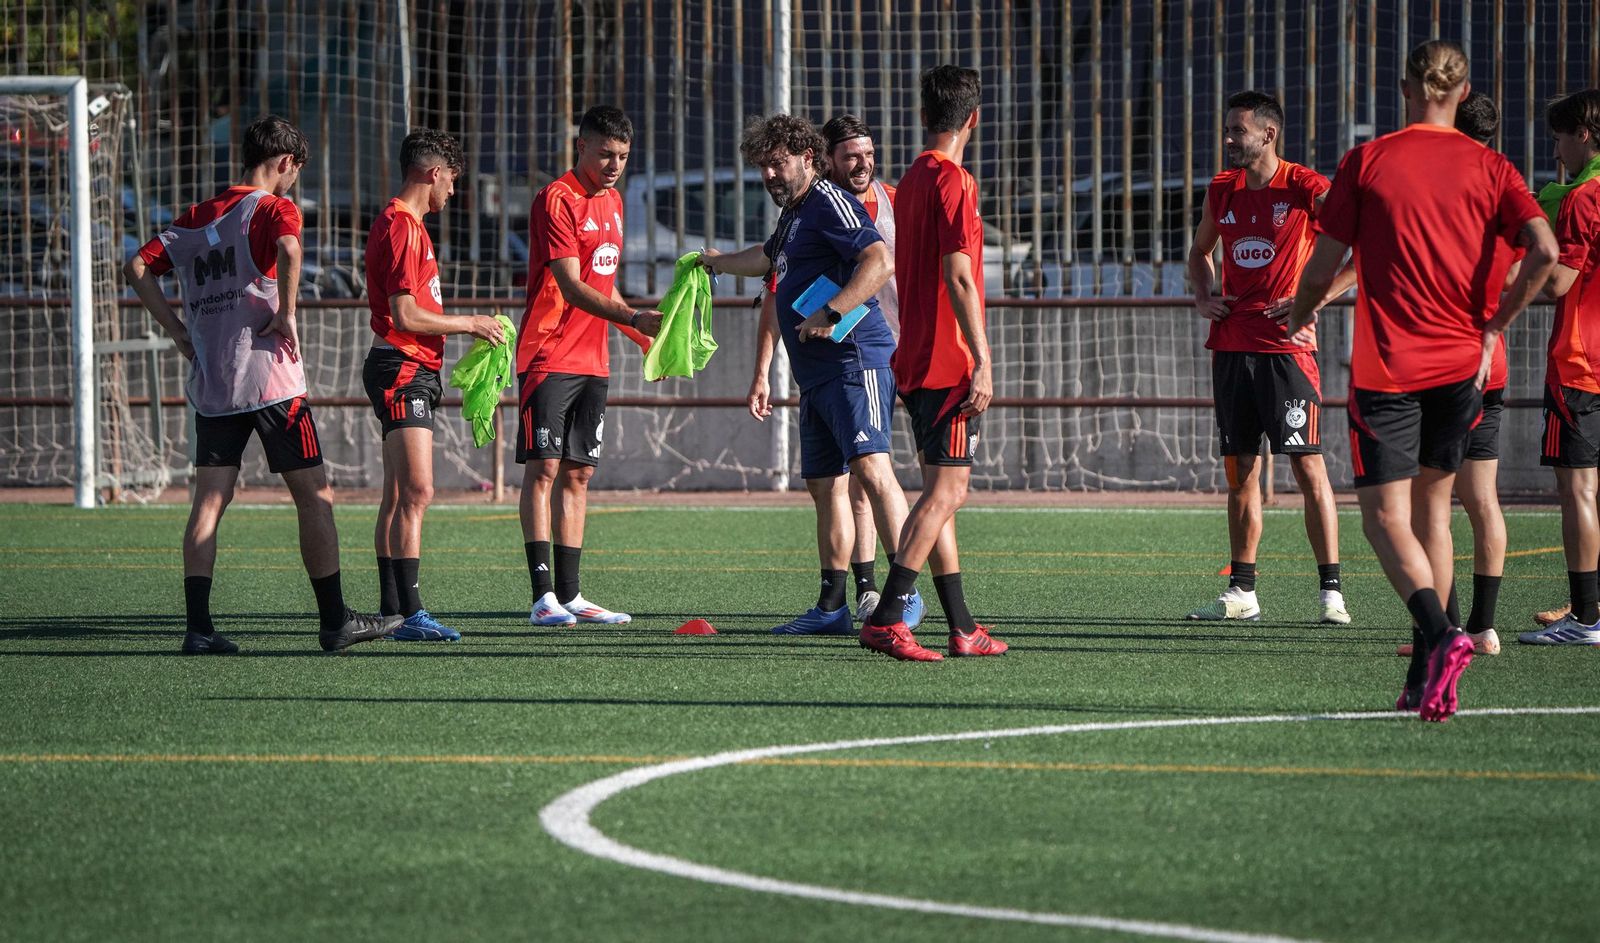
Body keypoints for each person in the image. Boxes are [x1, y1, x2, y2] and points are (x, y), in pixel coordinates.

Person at [1286, 41, 1556, 721]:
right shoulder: (1491, 165)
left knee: (1383, 518)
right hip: (1464, 368)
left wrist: (1297, 314)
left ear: (1405, 85)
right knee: (1436, 513)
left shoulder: (1370, 160)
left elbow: (1322, 268)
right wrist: (1496, 322)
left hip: (1391, 369)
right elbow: (1544, 250)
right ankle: (1424, 679)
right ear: (1463, 94)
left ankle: (1440, 635)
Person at [124, 114, 399, 654]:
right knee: (314, 497)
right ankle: (335, 621)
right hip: (272, 382)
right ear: (285, 163)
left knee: (208, 502)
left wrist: (178, 330)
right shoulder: (273, 207)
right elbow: (291, 251)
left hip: (215, 385)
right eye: (295, 170)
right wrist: (289, 311)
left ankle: (198, 630)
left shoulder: (196, 216)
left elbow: (136, 266)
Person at [708, 114, 923, 638]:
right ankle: (832, 607)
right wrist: (712, 262)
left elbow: (879, 261)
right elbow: (765, 260)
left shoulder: (827, 200)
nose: (769, 175)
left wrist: (831, 313)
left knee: (873, 472)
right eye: (763, 166)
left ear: (809, 158)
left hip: (856, 361)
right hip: (818, 376)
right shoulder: (795, 215)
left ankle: (903, 595)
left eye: (778, 163)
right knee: (824, 485)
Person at [1184, 90, 1353, 626]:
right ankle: (1242, 592)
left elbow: (1365, 246)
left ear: (1268, 134)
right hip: (1233, 350)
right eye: (1227, 130)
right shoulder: (1222, 190)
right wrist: (1204, 295)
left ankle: (1331, 594)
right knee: (1240, 474)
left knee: (1308, 469)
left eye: (1238, 130)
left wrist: (1318, 297)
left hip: (1288, 353)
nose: (1229, 139)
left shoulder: (1307, 187)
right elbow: (1198, 253)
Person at [857, 64, 1008, 660]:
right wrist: (983, 359)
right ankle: (889, 615)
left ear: (925, 117)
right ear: (974, 118)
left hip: (912, 356)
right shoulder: (956, 182)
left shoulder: (912, 180)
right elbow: (961, 275)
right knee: (947, 492)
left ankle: (964, 626)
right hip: (948, 361)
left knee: (936, 494)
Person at [518, 106, 661, 627]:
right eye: (605, 153)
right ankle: (541, 597)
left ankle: (572, 596)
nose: (614, 164)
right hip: (547, 354)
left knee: (578, 474)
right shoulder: (556, 198)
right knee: (544, 470)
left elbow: (604, 285)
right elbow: (572, 285)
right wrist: (633, 316)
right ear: (581, 146)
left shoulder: (616, 201)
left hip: (593, 360)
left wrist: (639, 336)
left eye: (623, 156)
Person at [364, 129, 505, 642]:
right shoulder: (402, 226)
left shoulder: (407, 225)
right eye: (452, 179)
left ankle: (391, 609)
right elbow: (404, 314)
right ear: (433, 172)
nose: (453, 190)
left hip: (406, 366)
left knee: (398, 493)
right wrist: (470, 323)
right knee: (418, 490)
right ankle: (411, 613)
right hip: (403, 367)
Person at [1520, 88, 1600, 646]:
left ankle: (1588, 619)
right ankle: (1588, 605)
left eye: (1558, 138)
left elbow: (1559, 283)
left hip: (1581, 362)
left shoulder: (1580, 199)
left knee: (1578, 492)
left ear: (1584, 135)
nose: (1556, 150)